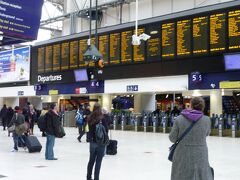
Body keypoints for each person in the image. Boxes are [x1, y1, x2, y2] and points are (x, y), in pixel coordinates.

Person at [169, 97, 213, 180]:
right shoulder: (207, 120)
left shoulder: (179, 119)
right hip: (201, 153)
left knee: (181, 174)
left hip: (182, 153)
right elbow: (207, 133)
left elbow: (172, 138)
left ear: (191, 105)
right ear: (202, 107)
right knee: (201, 174)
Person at [87, 103, 108, 180]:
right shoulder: (102, 118)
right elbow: (106, 130)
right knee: (98, 161)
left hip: (92, 142)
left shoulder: (89, 117)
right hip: (100, 142)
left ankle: (88, 177)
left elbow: (88, 130)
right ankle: (96, 178)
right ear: (100, 109)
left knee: (91, 160)